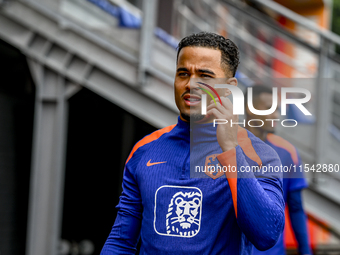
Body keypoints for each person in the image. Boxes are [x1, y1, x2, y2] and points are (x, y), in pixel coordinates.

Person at [100, 32, 285, 254]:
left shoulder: (260, 154)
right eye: (183, 73)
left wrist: (230, 149)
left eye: (205, 76)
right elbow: (121, 241)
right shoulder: (144, 149)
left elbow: (267, 235)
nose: (191, 84)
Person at [245, 85, 312, 255]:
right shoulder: (225, 148)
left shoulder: (287, 152)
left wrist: (305, 251)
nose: (276, 115)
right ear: (249, 109)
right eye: (269, 108)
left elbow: (296, 208)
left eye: (277, 109)